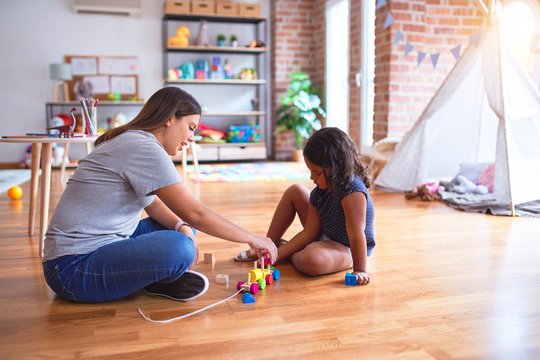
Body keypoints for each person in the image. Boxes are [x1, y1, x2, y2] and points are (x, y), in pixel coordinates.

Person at [43, 87, 277, 303]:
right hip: (72, 268)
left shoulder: (134, 140)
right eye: (191, 127)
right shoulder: (142, 147)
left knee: (182, 227)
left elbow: (154, 205)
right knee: (180, 247)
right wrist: (252, 238)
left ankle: (148, 280)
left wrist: (182, 227)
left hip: (106, 242)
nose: (192, 137)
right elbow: (195, 212)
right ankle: (149, 277)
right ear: (170, 118)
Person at [235, 127, 375, 285]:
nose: (311, 177)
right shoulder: (320, 191)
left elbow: (357, 235)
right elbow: (309, 233)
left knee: (311, 261)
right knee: (295, 191)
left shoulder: (353, 191)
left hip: (346, 247)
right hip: (324, 236)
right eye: (310, 171)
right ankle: (270, 244)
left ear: (336, 168)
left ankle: (283, 250)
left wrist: (360, 270)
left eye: (317, 173)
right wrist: (274, 256)